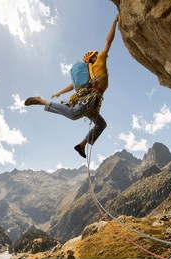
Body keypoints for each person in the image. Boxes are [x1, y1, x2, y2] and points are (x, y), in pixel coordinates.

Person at [25, 14, 119, 158]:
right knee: (74, 114)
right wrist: (114, 22)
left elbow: (72, 86)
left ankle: (82, 145)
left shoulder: (89, 73)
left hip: (90, 101)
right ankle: (41, 101)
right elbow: (108, 41)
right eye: (96, 54)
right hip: (89, 99)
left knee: (101, 124)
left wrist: (59, 92)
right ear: (93, 57)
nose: (99, 54)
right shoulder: (99, 62)